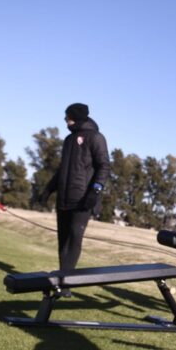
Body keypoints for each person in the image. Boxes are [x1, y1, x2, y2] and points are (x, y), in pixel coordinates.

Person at [41, 103, 110, 287]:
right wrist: (48, 189)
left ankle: (65, 281)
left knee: (74, 237)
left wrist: (95, 190)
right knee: (62, 239)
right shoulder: (69, 140)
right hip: (64, 197)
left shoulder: (96, 138)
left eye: (67, 118)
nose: (66, 121)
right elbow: (62, 169)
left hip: (83, 199)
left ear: (77, 118)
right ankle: (63, 279)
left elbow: (104, 166)